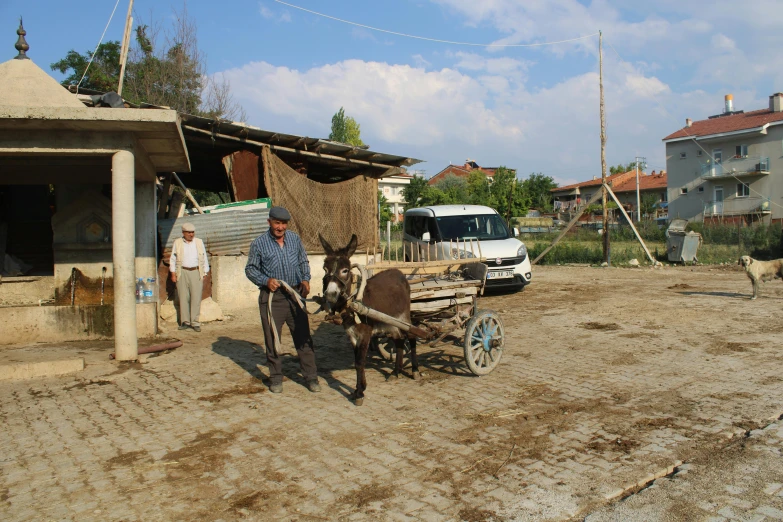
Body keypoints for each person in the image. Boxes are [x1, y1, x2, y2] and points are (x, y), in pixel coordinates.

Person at [245, 206, 320, 394]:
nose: (280, 227)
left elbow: (303, 261)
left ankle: (311, 378)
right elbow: (250, 269)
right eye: (277, 223)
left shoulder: (295, 239)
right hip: (272, 297)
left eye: (284, 223)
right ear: (269, 222)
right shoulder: (259, 243)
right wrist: (265, 280)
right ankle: (276, 378)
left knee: (303, 338)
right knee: (272, 339)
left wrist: (306, 279)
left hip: (295, 295)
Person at [170, 222, 209, 332]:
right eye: (188, 232)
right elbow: (173, 259)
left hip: (196, 271)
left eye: (192, 232)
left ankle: (195, 322)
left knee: (196, 298)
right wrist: (173, 273)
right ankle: (185, 322)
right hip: (182, 271)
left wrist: (205, 272)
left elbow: (204, 257)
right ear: (183, 233)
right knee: (183, 297)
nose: (191, 234)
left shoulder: (199, 242)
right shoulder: (177, 243)